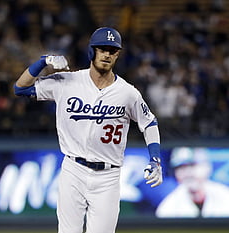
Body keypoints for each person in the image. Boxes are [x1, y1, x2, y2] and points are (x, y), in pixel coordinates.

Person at [13, 27, 163, 233]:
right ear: (92, 51)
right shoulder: (68, 82)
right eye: (102, 49)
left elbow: (149, 123)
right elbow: (20, 88)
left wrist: (155, 159)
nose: (107, 54)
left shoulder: (128, 93)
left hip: (108, 176)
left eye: (112, 50)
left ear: (117, 55)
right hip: (73, 170)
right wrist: (44, 62)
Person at [156, 147, 229, 218]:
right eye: (181, 168)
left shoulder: (225, 196)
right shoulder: (167, 209)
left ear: (207, 167)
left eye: (192, 165)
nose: (187, 173)